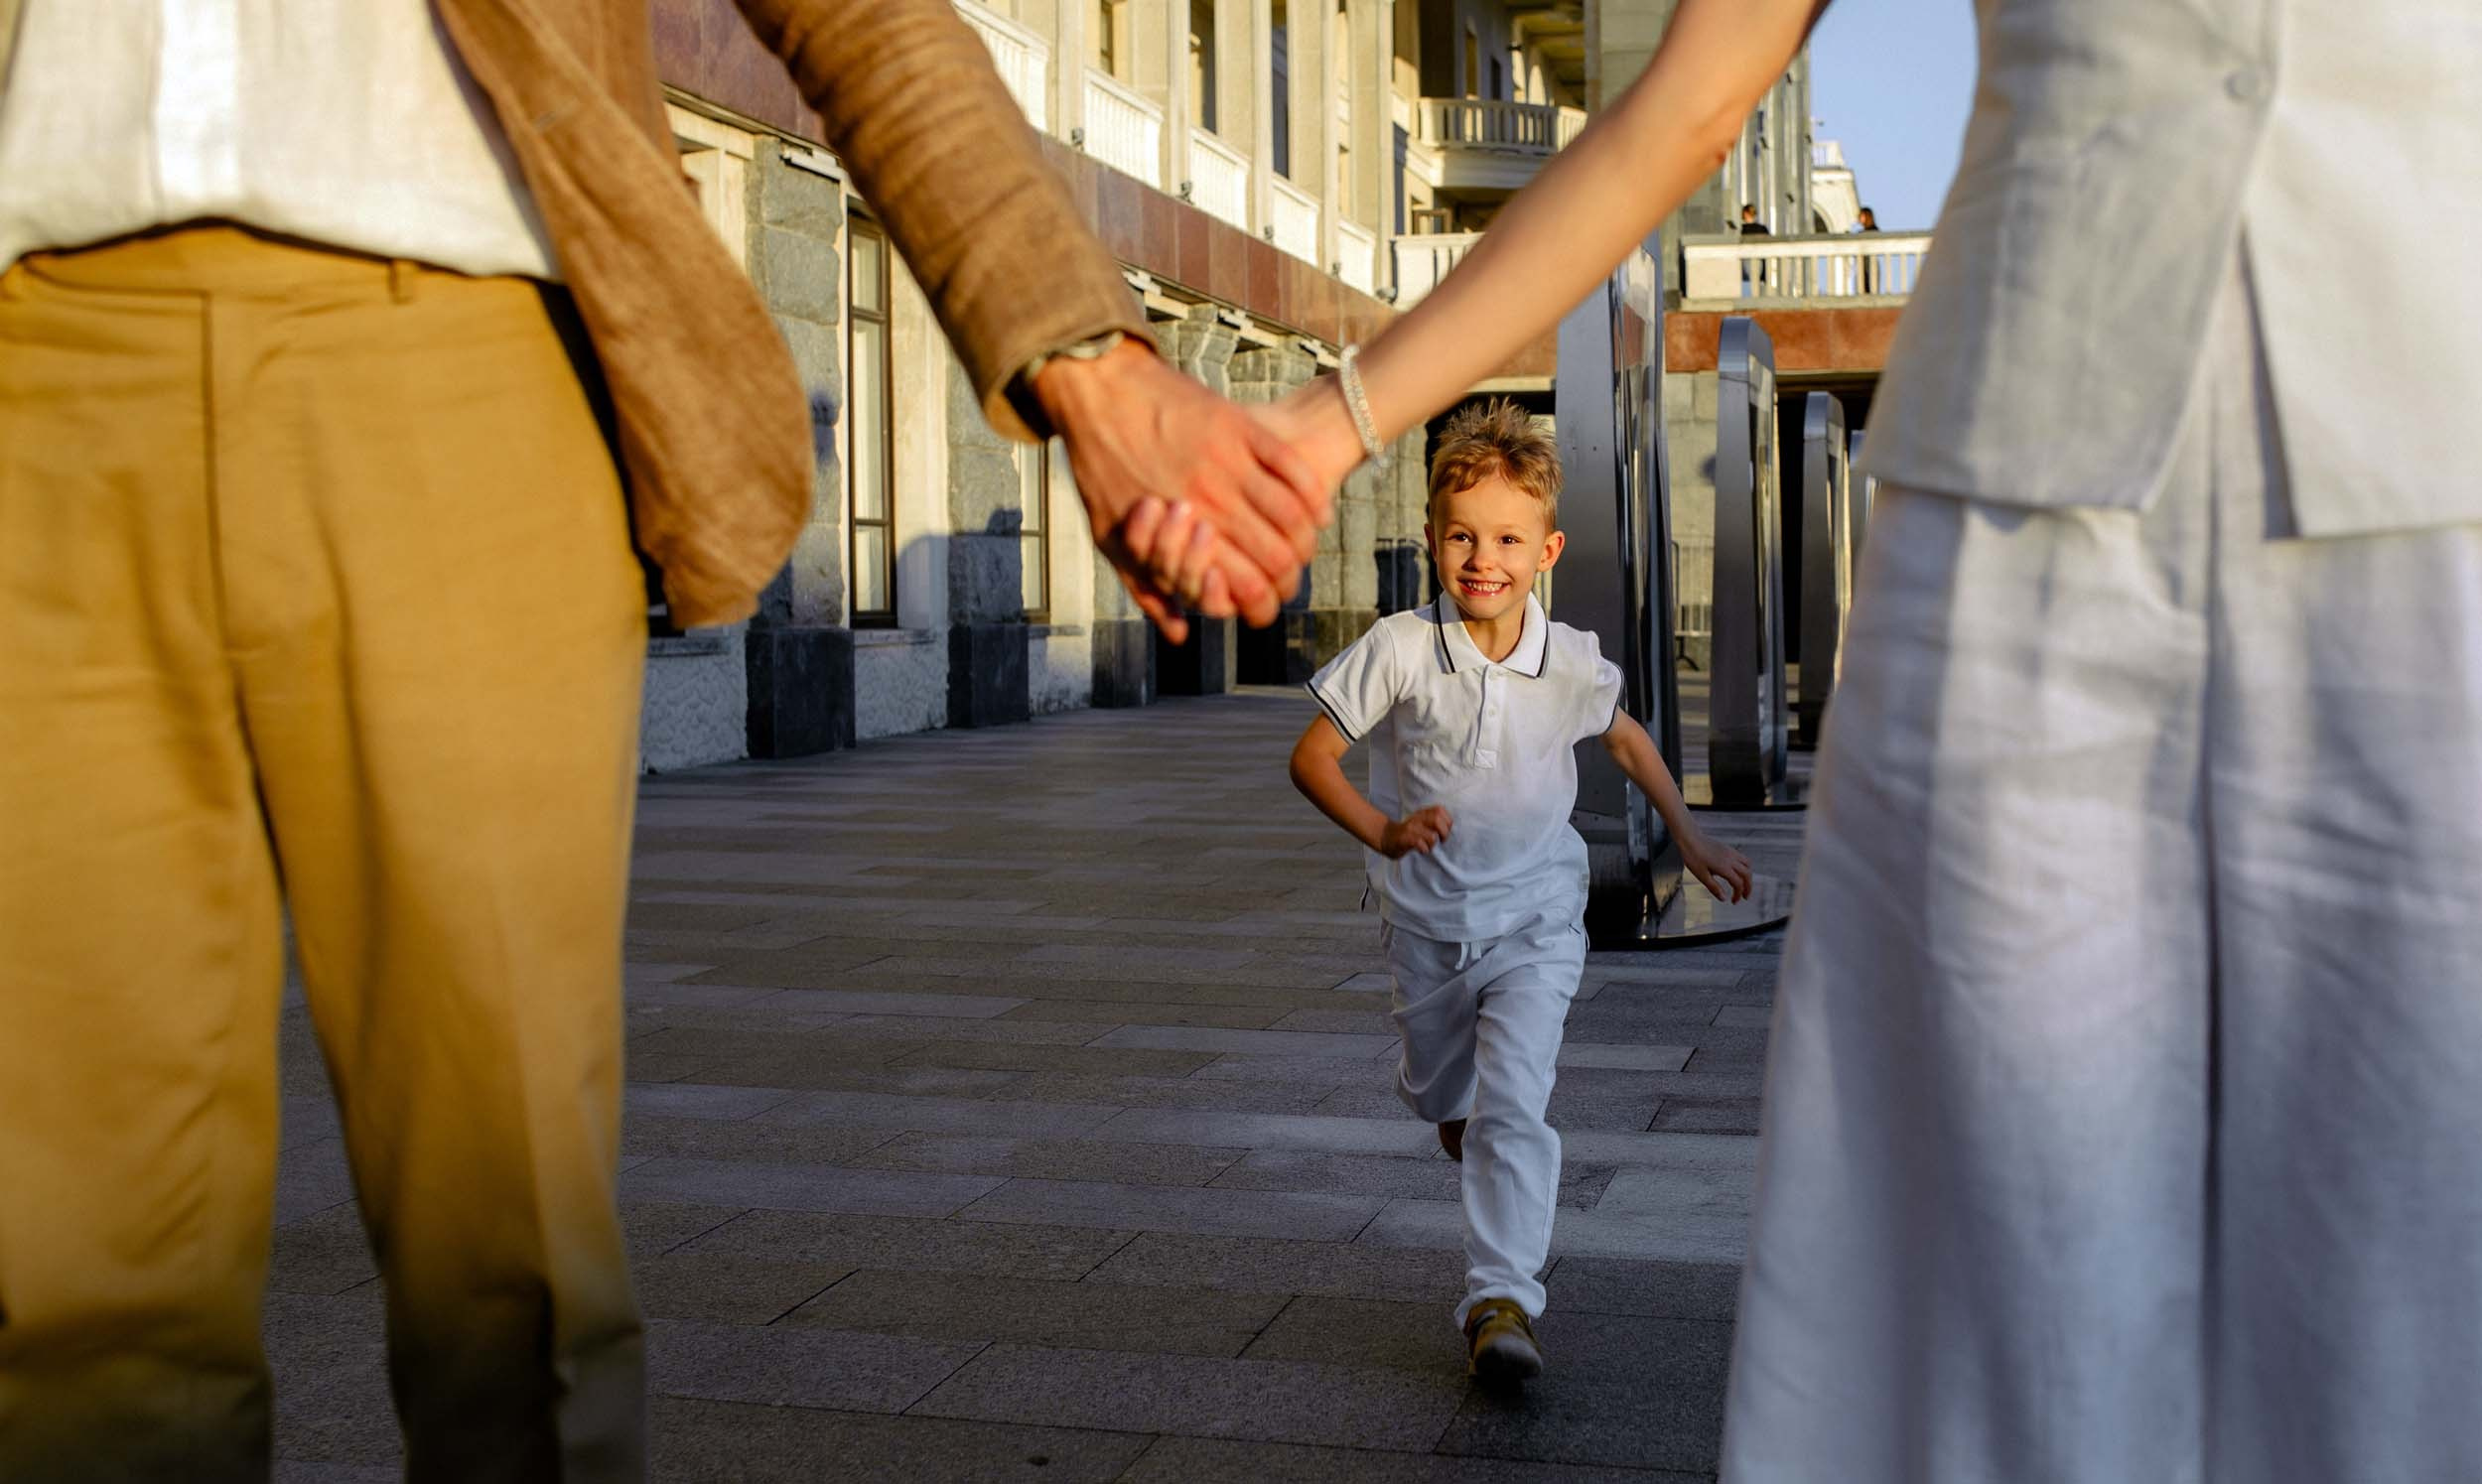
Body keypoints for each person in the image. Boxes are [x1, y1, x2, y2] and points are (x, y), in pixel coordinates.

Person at [0, 2, 1330, 1479]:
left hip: (451, 336)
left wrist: (1087, 355)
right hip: (33, 361)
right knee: (68, 1281)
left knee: (498, 1255)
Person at [1192, 0, 2482, 1477]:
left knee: (2414, 1172)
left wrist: (1682, 830)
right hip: (2022, 501)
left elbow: (1611, 725)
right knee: (2003, 1193)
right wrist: (1334, 419)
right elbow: (1683, 102)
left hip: (2432, 471)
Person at [1286, 401, 1753, 1386]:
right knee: (1441, 1092)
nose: (1481, 558)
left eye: (1505, 539)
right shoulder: (1402, 645)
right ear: (1430, 540)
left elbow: (1622, 734)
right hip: (1426, 919)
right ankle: (1450, 1106)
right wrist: (1382, 831)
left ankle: (1501, 1296)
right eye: (1461, 536)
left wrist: (1688, 829)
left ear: (1546, 549)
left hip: (1538, 914)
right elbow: (1313, 755)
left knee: (1515, 1104)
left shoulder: (1567, 655)